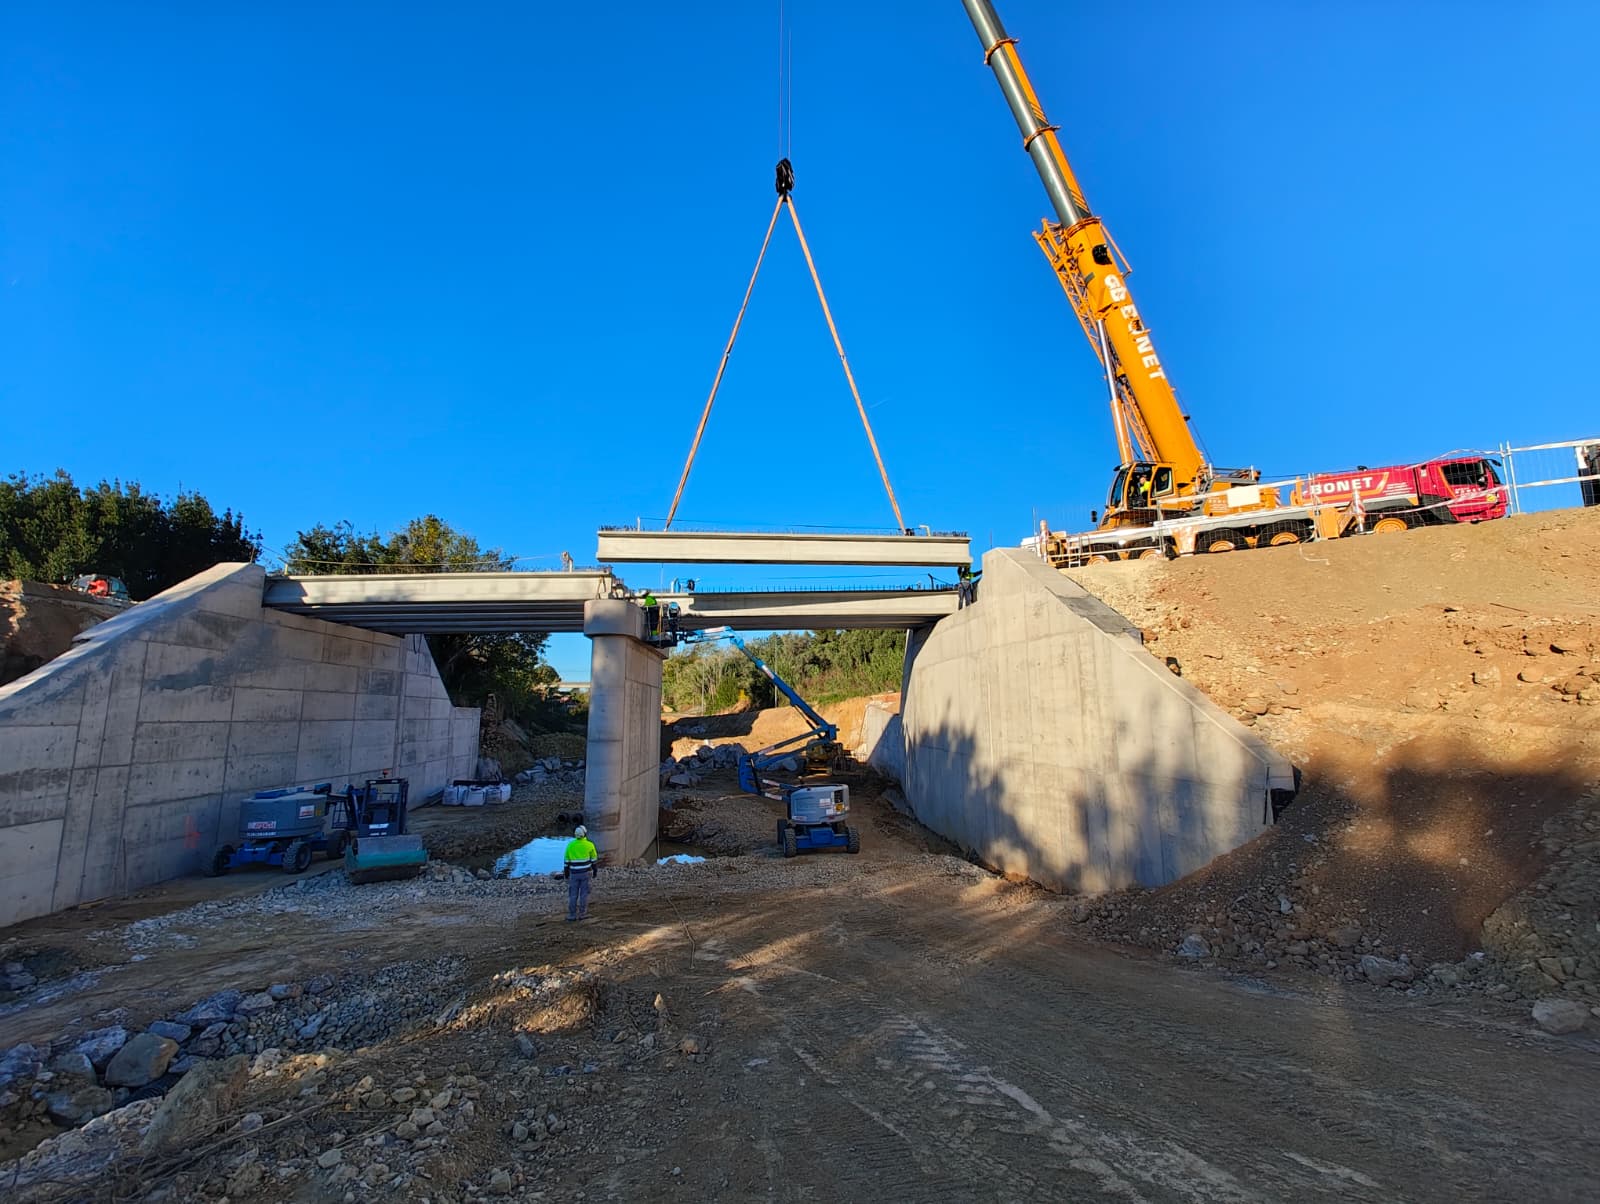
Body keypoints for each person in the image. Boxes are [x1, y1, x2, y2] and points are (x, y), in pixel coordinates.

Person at [563, 824, 598, 921]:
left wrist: (566, 875)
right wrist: (595, 871)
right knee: (584, 894)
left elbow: (566, 863)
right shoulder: (590, 845)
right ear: (585, 834)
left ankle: (572, 915)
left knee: (573, 895)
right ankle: (582, 914)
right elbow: (594, 861)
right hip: (586, 873)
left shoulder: (570, 846)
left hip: (574, 874)